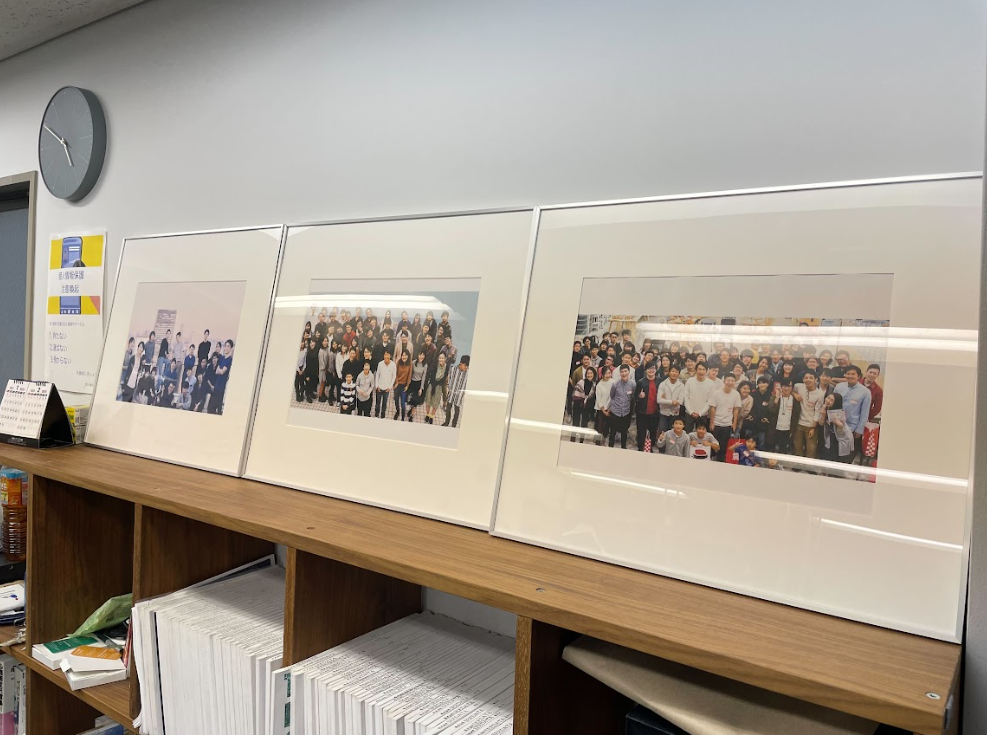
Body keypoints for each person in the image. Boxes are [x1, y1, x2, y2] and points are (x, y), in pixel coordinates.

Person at [834, 365, 872, 462]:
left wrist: (859, 429)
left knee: (846, 455)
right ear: (845, 375)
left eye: (853, 374)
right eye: (848, 374)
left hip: (851, 428)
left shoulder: (865, 392)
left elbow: (864, 413)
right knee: (834, 453)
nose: (850, 376)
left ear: (858, 376)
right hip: (836, 425)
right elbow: (833, 404)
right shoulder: (839, 387)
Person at [707, 375, 741, 460]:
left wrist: (734, 423)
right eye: (728, 380)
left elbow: (736, 409)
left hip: (727, 424)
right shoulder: (716, 393)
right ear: (724, 381)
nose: (730, 382)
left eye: (732, 381)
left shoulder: (736, 394)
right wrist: (712, 422)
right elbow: (713, 408)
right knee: (714, 444)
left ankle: (721, 460)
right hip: (716, 423)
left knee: (724, 445)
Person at [791, 371, 823, 462]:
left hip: (810, 425)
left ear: (816, 380)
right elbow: (791, 391)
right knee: (797, 446)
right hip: (799, 423)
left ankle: (809, 466)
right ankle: (798, 464)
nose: (808, 380)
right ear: (803, 379)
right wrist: (795, 394)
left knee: (811, 448)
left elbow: (817, 411)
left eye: (811, 378)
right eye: (806, 378)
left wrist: (813, 427)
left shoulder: (819, 394)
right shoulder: (798, 386)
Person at [633, 363, 662, 451]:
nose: (651, 370)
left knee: (653, 431)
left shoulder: (660, 381)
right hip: (642, 412)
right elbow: (635, 397)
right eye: (649, 368)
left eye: (653, 368)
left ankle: (650, 447)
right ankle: (640, 447)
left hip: (655, 412)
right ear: (645, 370)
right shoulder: (641, 382)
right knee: (641, 431)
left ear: (656, 369)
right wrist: (639, 396)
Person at [821, 392, 855, 465]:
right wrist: (823, 413)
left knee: (838, 460)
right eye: (828, 398)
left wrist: (838, 423)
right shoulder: (825, 409)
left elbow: (840, 430)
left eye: (831, 400)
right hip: (831, 436)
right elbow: (821, 423)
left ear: (836, 403)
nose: (828, 400)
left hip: (842, 438)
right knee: (828, 456)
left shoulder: (838, 413)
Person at [607, 364, 635, 449]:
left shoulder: (633, 384)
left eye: (625, 371)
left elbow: (633, 397)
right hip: (615, 412)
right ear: (620, 373)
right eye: (622, 372)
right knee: (612, 432)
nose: (624, 373)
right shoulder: (615, 384)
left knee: (624, 432)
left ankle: (623, 448)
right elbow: (612, 395)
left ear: (629, 372)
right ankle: (610, 448)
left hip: (626, 412)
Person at [683, 363, 716, 433]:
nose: (701, 371)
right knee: (688, 434)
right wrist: (691, 411)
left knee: (701, 435)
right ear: (696, 370)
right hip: (689, 413)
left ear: (706, 371)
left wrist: (700, 413)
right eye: (699, 369)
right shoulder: (690, 381)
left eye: (703, 369)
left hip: (703, 414)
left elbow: (710, 401)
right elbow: (686, 398)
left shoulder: (710, 383)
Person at [569, 365, 597, 442]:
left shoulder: (594, 385)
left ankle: (581, 440)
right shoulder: (581, 382)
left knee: (584, 424)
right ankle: (573, 439)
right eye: (588, 373)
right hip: (577, 404)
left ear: (594, 374)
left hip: (587, 407)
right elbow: (576, 393)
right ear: (586, 374)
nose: (589, 375)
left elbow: (592, 397)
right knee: (575, 422)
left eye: (591, 373)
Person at [656, 365, 685, 437]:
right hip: (663, 413)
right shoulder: (663, 384)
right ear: (669, 372)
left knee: (673, 435)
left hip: (675, 414)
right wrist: (672, 402)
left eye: (676, 372)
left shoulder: (681, 385)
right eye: (672, 371)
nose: (674, 373)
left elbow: (680, 401)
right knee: (662, 434)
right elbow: (659, 400)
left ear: (679, 374)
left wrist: (665, 400)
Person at [751, 376, 777, 450]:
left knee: (762, 441)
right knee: (751, 441)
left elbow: (771, 409)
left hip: (764, 422)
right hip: (753, 421)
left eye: (764, 383)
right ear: (757, 384)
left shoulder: (771, 395)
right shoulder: (753, 394)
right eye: (760, 383)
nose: (762, 385)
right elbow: (751, 407)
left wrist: (767, 418)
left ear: (768, 384)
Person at [444, 355, 470, 428]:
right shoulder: (453, 369)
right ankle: (446, 422)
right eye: (465, 366)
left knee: (457, 410)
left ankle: (454, 425)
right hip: (451, 393)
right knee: (448, 408)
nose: (466, 368)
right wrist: (448, 388)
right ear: (461, 363)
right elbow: (448, 379)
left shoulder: (468, 373)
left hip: (459, 395)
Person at [773, 379, 797, 455]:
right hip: (776, 427)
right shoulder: (776, 396)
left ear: (792, 387)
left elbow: (796, 415)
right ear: (781, 387)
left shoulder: (795, 399)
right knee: (774, 449)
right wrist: (776, 399)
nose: (786, 388)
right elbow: (771, 410)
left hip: (788, 428)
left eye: (789, 386)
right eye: (784, 386)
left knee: (784, 450)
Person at [424, 352, 449, 424]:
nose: (441, 359)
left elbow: (444, 378)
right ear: (438, 358)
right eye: (440, 358)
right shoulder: (435, 365)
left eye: (442, 358)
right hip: (432, 385)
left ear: (445, 359)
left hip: (439, 387)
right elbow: (431, 377)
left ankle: (431, 416)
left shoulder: (447, 367)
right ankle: (427, 415)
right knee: (428, 402)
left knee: (435, 404)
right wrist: (433, 386)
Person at [210, 339, 234, 414]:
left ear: (231, 348)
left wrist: (220, 370)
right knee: (211, 408)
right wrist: (220, 370)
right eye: (225, 346)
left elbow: (222, 371)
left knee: (218, 409)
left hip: (221, 387)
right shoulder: (222, 358)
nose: (226, 348)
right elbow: (217, 371)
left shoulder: (229, 360)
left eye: (228, 346)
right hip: (216, 385)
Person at [594, 366, 614, 445]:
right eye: (606, 374)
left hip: (610, 407)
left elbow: (614, 396)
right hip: (601, 408)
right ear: (602, 374)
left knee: (607, 426)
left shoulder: (613, 382)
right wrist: (603, 411)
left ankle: (604, 439)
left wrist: (610, 408)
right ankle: (597, 442)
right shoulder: (599, 385)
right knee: (600, 426)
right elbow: (598, 399)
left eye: (609, 373)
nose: (608, 375)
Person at [374, 350, 396, 418]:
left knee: (384, 403)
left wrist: (389, 387)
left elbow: (394, 377)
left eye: (388, 355)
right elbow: (377, 375)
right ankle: (376, 414)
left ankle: (382, 415)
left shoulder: (393, 365)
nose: (386, 356)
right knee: (377, 402)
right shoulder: (380, 364)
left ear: (390, 356)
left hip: (387, 389)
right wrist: (377, 386)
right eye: (385, 355)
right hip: (379, 387)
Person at [408, 351, 428, 422]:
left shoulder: (425, 365)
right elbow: (410, 373)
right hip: (412, 383)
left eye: (423, 355)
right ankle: (411, 409)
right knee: (411, 399)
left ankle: (412, 415)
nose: (421, 357)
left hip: (418, 383)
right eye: (420, 355)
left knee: (415, 401)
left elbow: (423, 377)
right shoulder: (413, 362)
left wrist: (421, 388)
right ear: (418, 355)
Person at [393, 350, 412, 421]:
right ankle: (397, 411)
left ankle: (403, 417)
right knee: (396, 399)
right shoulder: (399, 362)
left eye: (405, 355)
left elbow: (409, 375)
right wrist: (396, 382)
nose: (404, 357)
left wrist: (407, 385)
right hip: (397, 384)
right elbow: (395, 373)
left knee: (403, 403)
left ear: (408, 356)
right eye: (403, 355)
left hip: (404, 386)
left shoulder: (409, 364)